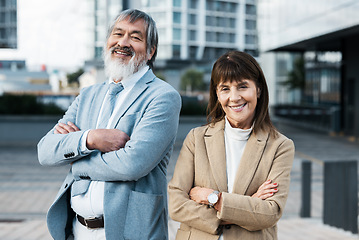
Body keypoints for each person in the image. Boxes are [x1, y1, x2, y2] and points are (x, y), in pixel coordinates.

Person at [38, 9, 181, 240]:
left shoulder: (162, 96)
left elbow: (132, 164)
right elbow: (45, 150)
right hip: (76, 230)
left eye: (135, 37)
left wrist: (77, 164)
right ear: (107, 42)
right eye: (117, 34)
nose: (123, 43)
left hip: (131, 233)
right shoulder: (88, 95)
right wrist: (90, 139)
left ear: (151, 50)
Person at [168, 50, 295, 239]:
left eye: (242, 86)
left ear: (258, 89)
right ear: (217, 94)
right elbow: (176, 205)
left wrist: (214, 198)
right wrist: (248, 206)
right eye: (225, 88)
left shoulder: (280, 146)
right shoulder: (197, 138)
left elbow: (270, 212)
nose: (234, 97)